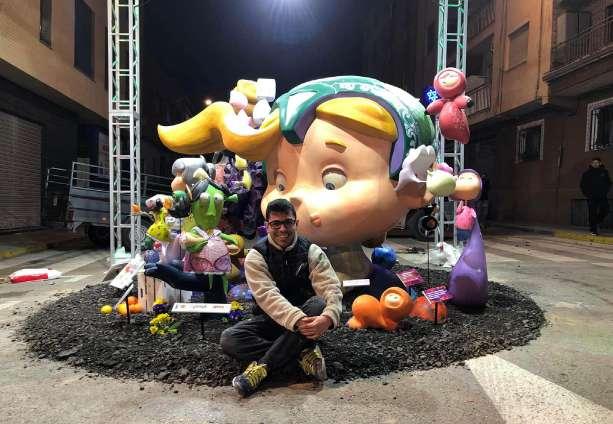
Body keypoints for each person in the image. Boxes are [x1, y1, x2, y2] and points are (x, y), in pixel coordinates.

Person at [220, 198, 343, 397]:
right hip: (272, 319)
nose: (283, 229)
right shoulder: (256, 256)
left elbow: (330, 287)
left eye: (288, 222)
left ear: (296, 223)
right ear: (267, 225)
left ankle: (261, 368)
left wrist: (328, 317)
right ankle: (301, 352)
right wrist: (296, 320)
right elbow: (267, 296)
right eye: (276, 223)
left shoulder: (312, 251)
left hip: (306, 317)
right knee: (229, 340)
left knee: (319, 304)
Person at [580, 158, 611, 235]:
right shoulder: (587, 173)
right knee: (592, 213)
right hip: (591, 197)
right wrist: (587, 194)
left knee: (606, 209)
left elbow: (609, 183)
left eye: (597, 162)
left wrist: (605, 192)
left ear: (600, 163)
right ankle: (593, 230)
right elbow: (582, 185)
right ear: (591, 164)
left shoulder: (604, 172)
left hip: (602, 196)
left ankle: (596, 221)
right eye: (594, 162)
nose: (595, 164)